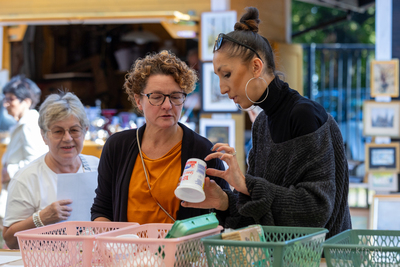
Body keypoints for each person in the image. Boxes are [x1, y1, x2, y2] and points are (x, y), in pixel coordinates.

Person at [182, 7, 351, 239]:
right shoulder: (262, 123)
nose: (222, 89)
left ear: (256, 66)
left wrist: (246, 184)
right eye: (218, 77)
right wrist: (225, 202)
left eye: (227, 74)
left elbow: (314, 212)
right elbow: (259, 217)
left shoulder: (305, 115)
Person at [91, 50, 230, 224]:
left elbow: (226, 215)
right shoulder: (117, 146)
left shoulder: (202, 151)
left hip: (182, 251)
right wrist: (113, 245)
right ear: (138, 101)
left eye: (175, 96)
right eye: (156, 97)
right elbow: (102, 208)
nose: (167, 105)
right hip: (125, 249)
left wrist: (225, 200)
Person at [2, 92, 100, 249]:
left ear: (85, 130)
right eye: (58, 131)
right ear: (43, 135)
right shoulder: (27, 178)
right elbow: (10, 240)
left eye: (74, 130)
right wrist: (40, 219)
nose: (67, 138)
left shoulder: (98, 168)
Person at [1, 75, 48, 184]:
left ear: (27, 102)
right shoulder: (21, 123)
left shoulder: (30, 125)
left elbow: (37, 160)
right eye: (5, 98)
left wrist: (9, 171)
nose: (5, 104)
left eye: (11, 99)